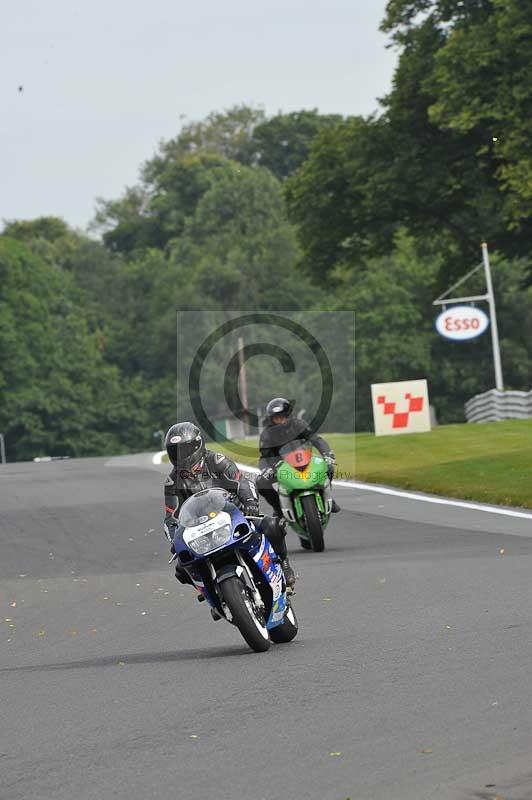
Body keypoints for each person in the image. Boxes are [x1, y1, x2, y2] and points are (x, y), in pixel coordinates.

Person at [163, 421, 295, 589]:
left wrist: (250, 503)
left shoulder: (217, 461)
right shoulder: (172, 481)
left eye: (185, 450)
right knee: (182, 568)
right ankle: (212, 592)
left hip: (235, 516)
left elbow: (243, 483)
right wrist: (175, 539)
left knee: (272, 525)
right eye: (175, 451)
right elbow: (170, 518)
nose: (181, 456)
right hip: (200, 530)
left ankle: (283, 563)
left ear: (198, 445)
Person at [256, 397, 341, 517]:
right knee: (261, 482)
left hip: (305, 458)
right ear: (271, 419)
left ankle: (327, 497)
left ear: (288, 415)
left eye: (282, 417)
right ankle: (278, 508)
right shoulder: (267, 434)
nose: (280, 421)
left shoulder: (299, 424)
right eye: (276, 418)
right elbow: (264, 457)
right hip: (281, 465)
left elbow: (316, 439)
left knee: (329, 467)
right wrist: (266, 469)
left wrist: (327, 454)